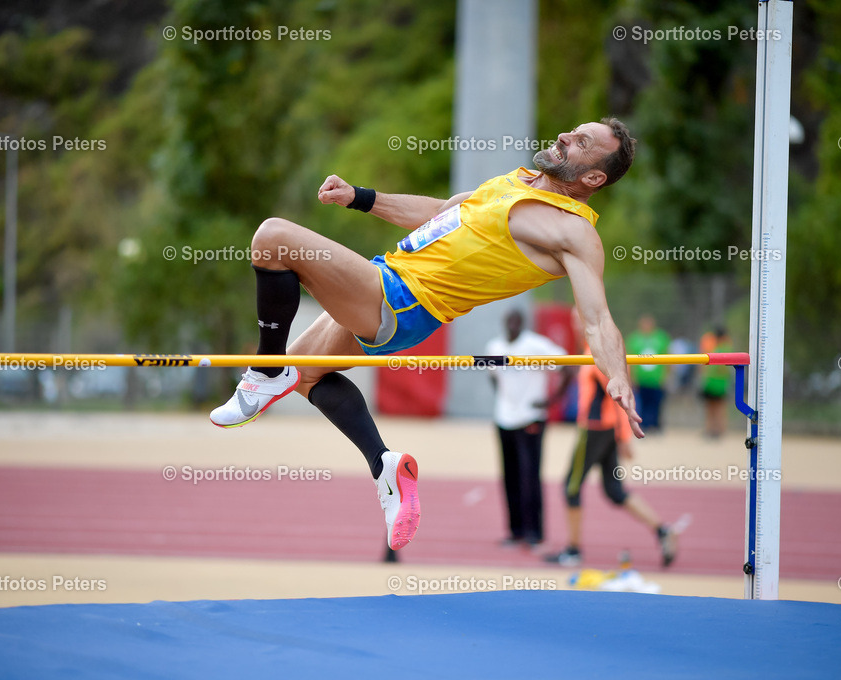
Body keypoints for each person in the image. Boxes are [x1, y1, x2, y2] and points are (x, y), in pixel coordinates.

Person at [209, 118, 642, 551]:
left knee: (274, 238)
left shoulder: (573, 231)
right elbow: (439, 214)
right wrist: (359, 198)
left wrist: (616, 375)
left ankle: (265, 370)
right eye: (572, 131)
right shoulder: (519, 180)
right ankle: (386, 469)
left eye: (581, 142)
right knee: (304, 375)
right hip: (389, 275)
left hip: (404, 301)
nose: (565, 136)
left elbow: (598, 319)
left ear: (593, 177)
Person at [544, 329, 679, 568]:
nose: (575, 322)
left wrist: (624, 436)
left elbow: (616, 395)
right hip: (603, 430)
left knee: (571, 487)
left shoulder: (598, 354)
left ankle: (573, 551)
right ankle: (662, 530)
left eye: (579, 318)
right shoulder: (593, 351)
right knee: (614, 491)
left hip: (595, 429)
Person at [487, 309, 574, 548]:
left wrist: (552, 400)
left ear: (523, 323)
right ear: (504, 322)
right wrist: (504, 399)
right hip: (504, 419)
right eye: (510, 321)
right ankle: (515, 531)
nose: (513, 325)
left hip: (531, 418)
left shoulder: (535, 345)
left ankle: (535, 532)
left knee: (530, 476)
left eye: (518, 321)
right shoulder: (494, 347)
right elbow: (492, 375)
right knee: (509, 476)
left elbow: (568, 366)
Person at [625, 315, 671, 432]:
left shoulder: (661, 337)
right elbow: (629, 360)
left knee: (656, 403)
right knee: (642, 404)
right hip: (641, 379)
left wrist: (666, 376)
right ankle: (644, 426)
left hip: (656, 379)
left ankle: (655, 426)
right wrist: (631, 378)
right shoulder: (634, 338)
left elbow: (668, 358)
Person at [699, 325, 733, 438]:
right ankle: (712, 429)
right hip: (713, 382)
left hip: (717, 383)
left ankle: (717, 429)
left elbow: (721, 369)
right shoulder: (719, 347)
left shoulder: (722, 348)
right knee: (713, 407)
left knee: (717, 408)